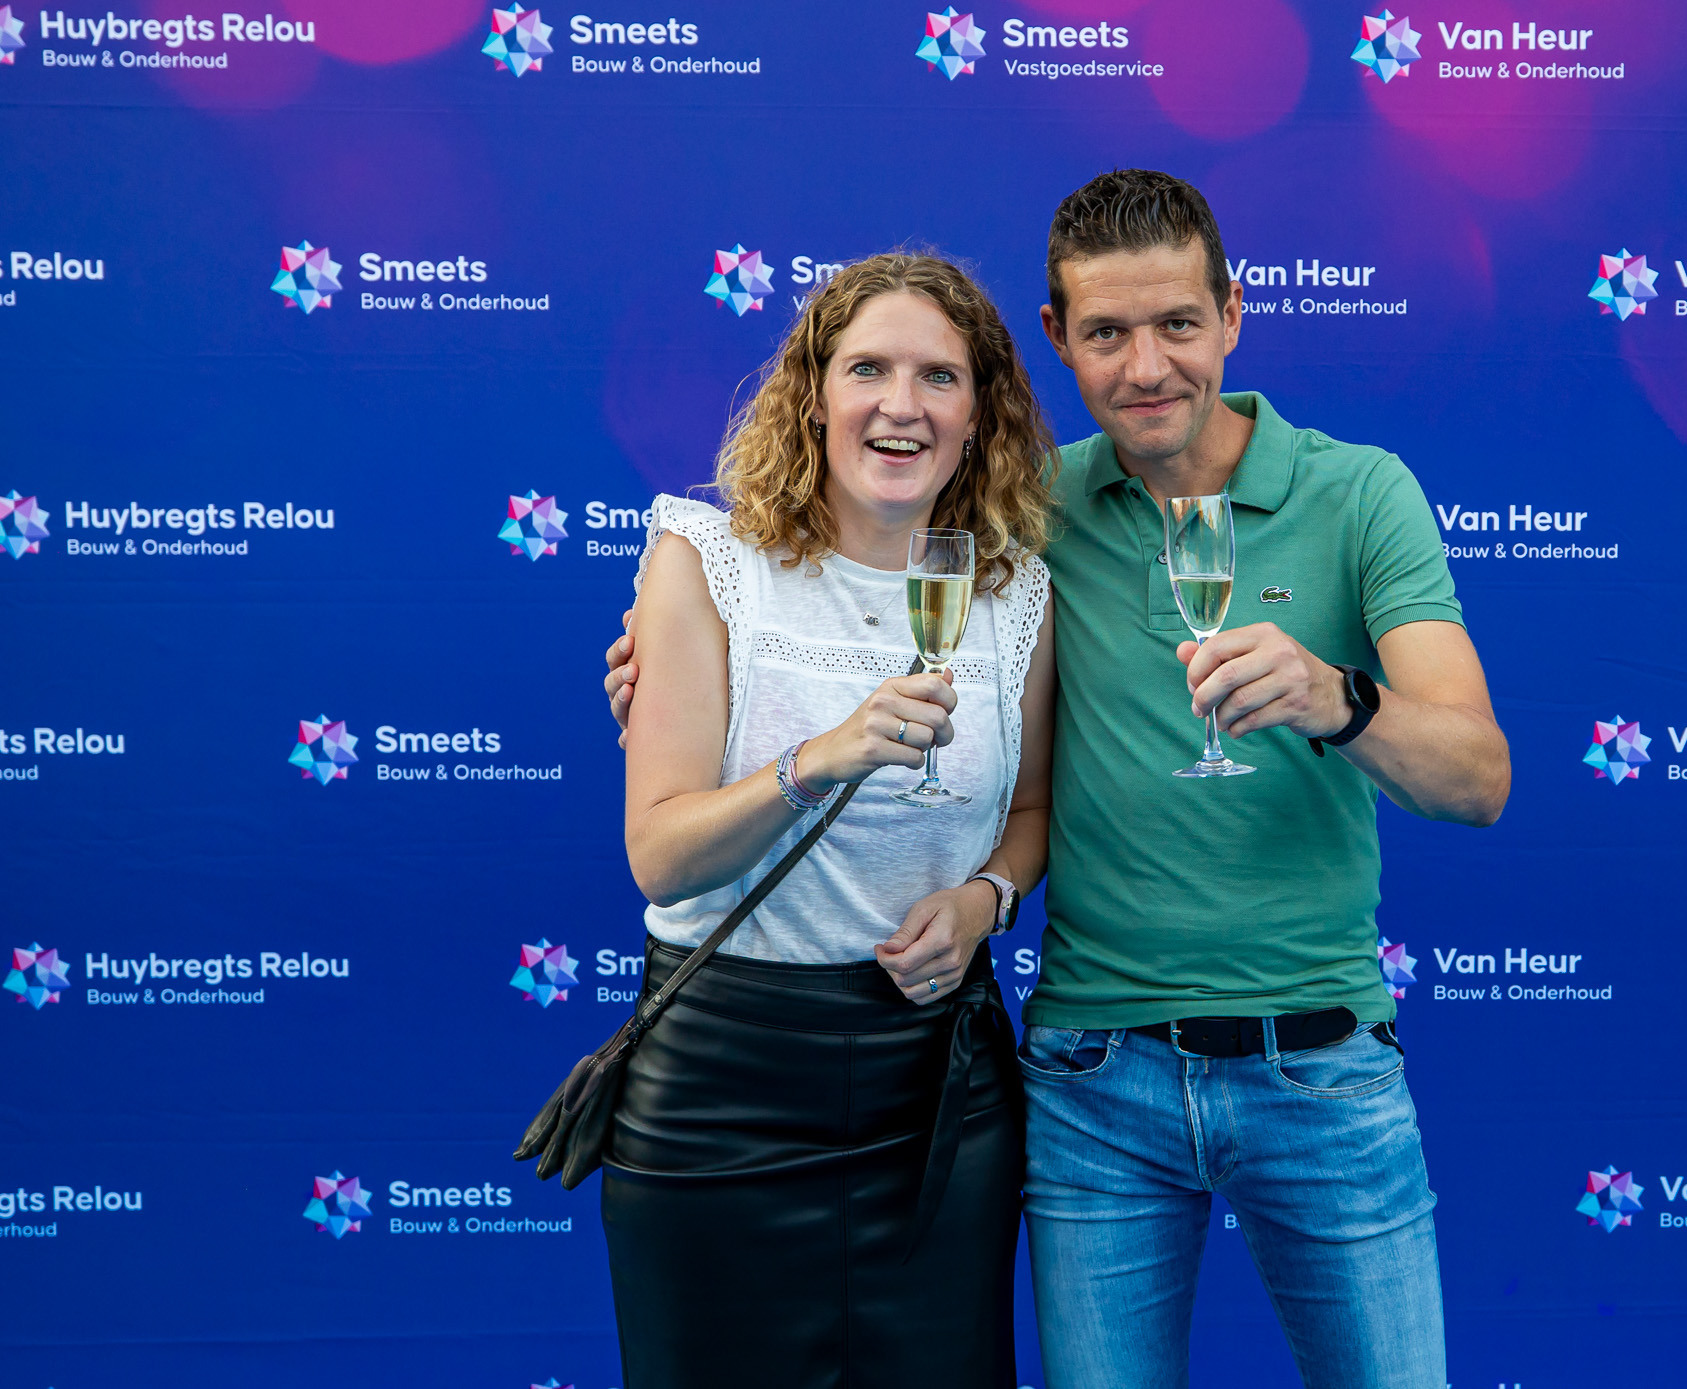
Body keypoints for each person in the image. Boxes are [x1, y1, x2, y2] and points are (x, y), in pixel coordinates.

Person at [608, 172, 1510, 1389]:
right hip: (1094, 1082)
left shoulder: (1354, 494)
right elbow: (811, 611)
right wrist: (662, 664)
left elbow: (1476, 781)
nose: (1145, 367)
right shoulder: (1032, 516)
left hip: (1320, 1065)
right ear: (1057, 340)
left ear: (1231, 314)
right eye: (1106, 333)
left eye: (1176, 324)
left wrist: (1334, 698)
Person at [603, 251, 1057, 1389]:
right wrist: (821, 759)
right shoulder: (708, 564)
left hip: (936, 1088)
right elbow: (661, 856)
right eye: (867, 369)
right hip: (724, 1085)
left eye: (939, 377)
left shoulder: (1017, 595)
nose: (902, 405)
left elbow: (1031, 810)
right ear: (812, 394)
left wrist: (985, 898)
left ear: (979, 414)